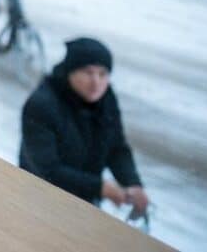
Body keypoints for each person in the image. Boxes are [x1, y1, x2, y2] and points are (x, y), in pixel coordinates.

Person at [20, 38, 149, 217]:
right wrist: (99, 187)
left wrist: (132, 183)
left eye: (103, 74)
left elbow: (116, 147)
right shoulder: (42, 105)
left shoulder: (106, 99)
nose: (96, 82)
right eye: (88, 72)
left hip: (84, 203)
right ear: (70, 71)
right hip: (39, 201)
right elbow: (47, 170)